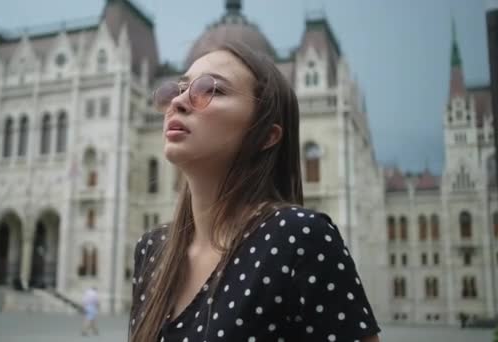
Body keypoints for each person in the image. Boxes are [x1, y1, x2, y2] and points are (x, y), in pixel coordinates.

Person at [129, 42, 381, 342]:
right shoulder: (152, 250)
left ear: (265, 135)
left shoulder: (299, 238)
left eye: (213, 90)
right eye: (179, 89)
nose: (179, 102)